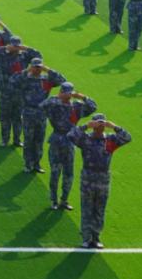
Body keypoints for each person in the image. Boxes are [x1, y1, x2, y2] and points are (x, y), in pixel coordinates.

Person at [69, 114, 131, 249]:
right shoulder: (85, 139)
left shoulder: (110, 140)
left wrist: (114, 127)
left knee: (99, 209)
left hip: (103, 179)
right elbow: (71, 135)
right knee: (87, 208)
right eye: (98, 123)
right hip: (88, 178)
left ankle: (96, 237)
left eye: (102, 123)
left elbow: (127, 137)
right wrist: (86, 126)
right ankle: (86, 238)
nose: (100, 126)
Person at [40, 83, 97, 211]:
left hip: (70, 142)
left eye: (69, 93)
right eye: (65, 92)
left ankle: (64, 200)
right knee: (55, 173)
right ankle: (53, 200)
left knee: (68, 174)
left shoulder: (76, 107)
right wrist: (58, 97)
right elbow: (43, 105)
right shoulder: (54, 104)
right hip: (57, 140)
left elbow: (93, 106)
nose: (68, 95)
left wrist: (81, 96)